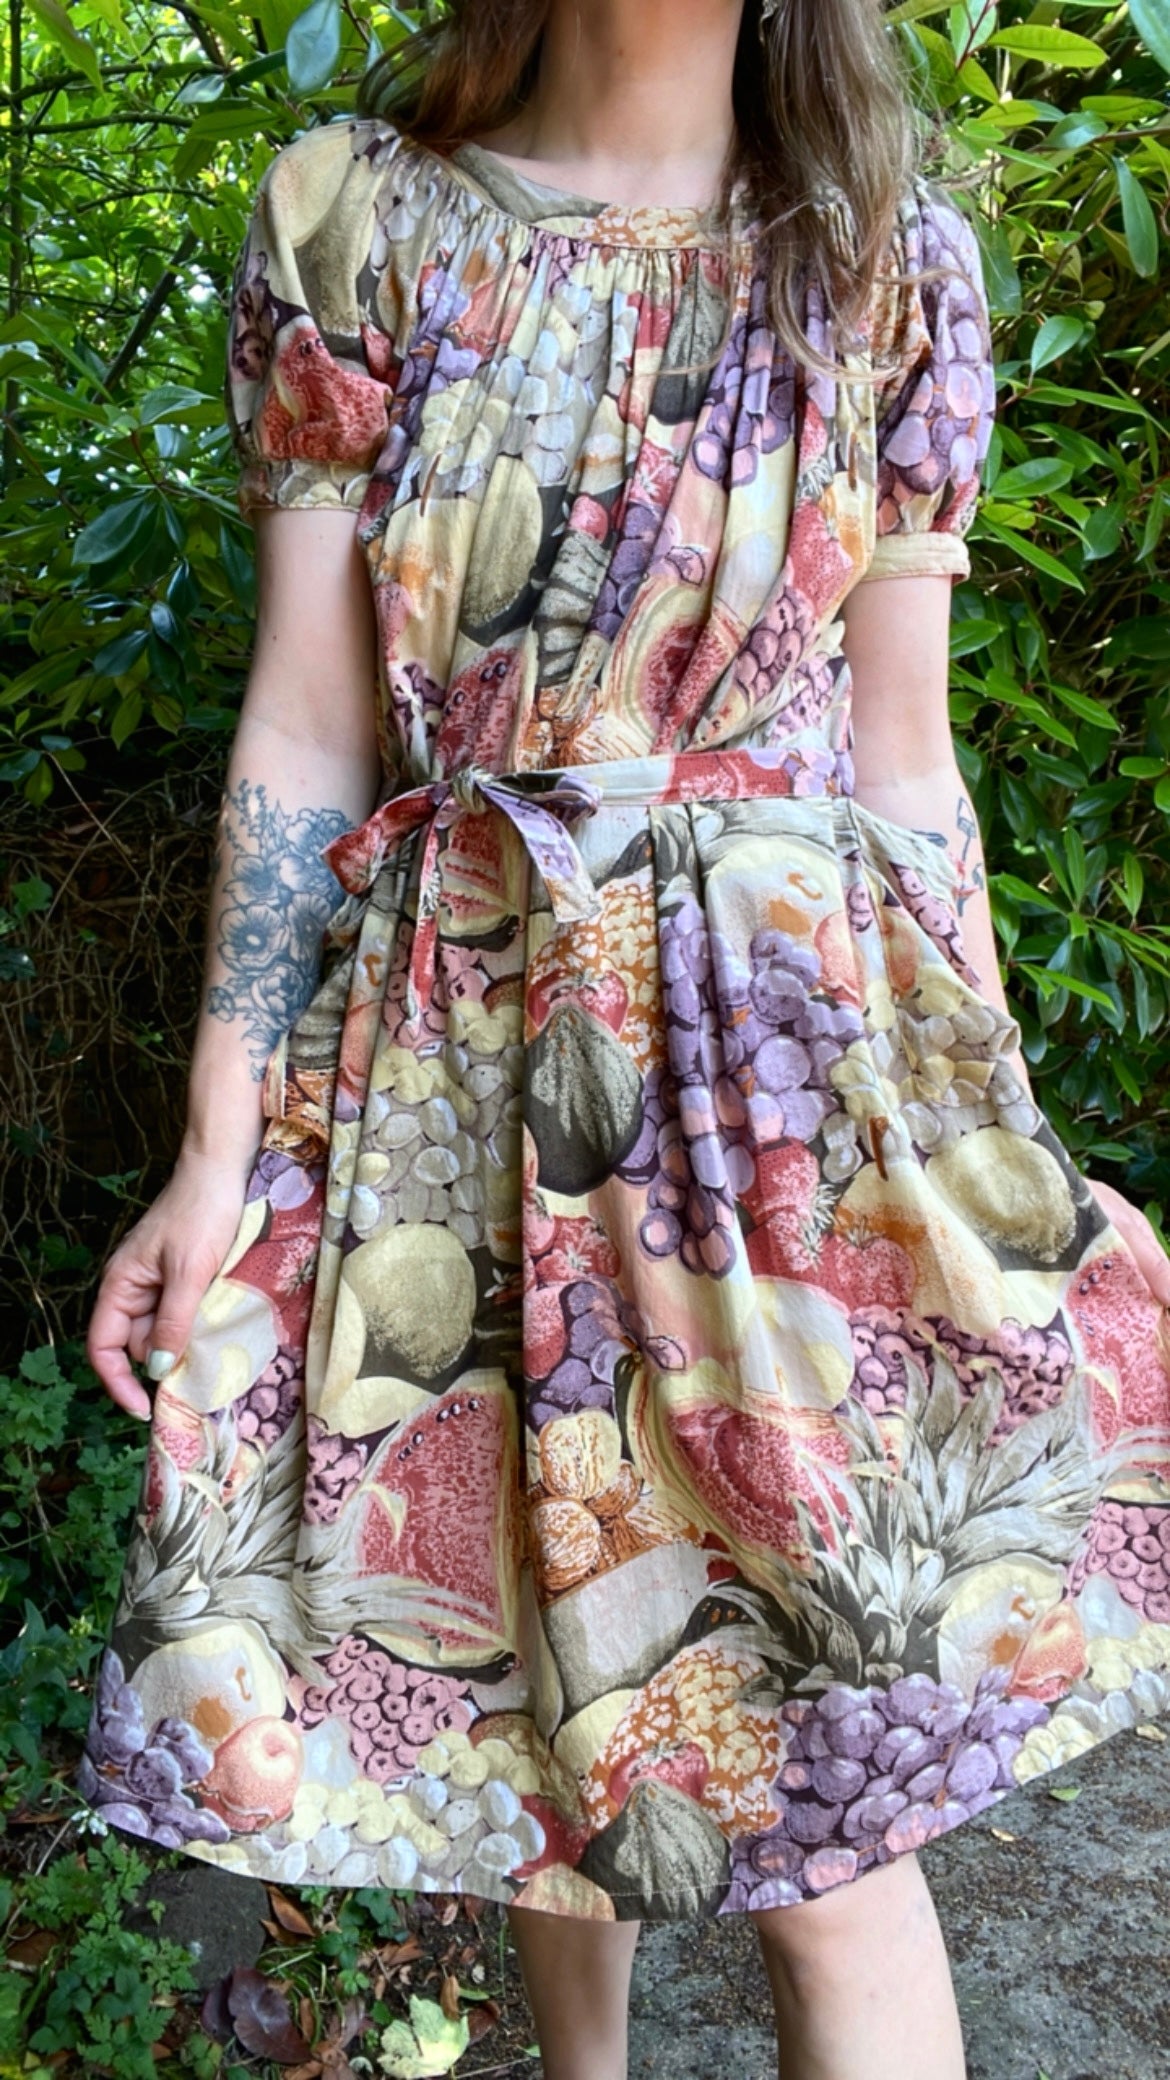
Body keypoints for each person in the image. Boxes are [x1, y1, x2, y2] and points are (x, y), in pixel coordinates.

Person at [81, 4, 1170, 2077]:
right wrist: (217, 1144)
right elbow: (309, 722)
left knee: (827, 1802)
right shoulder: (355, 216)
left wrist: (987, 1126)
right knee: (524, 1671)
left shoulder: (882, 257)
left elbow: (901, 760)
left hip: (781, 1090)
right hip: (450, 1057)